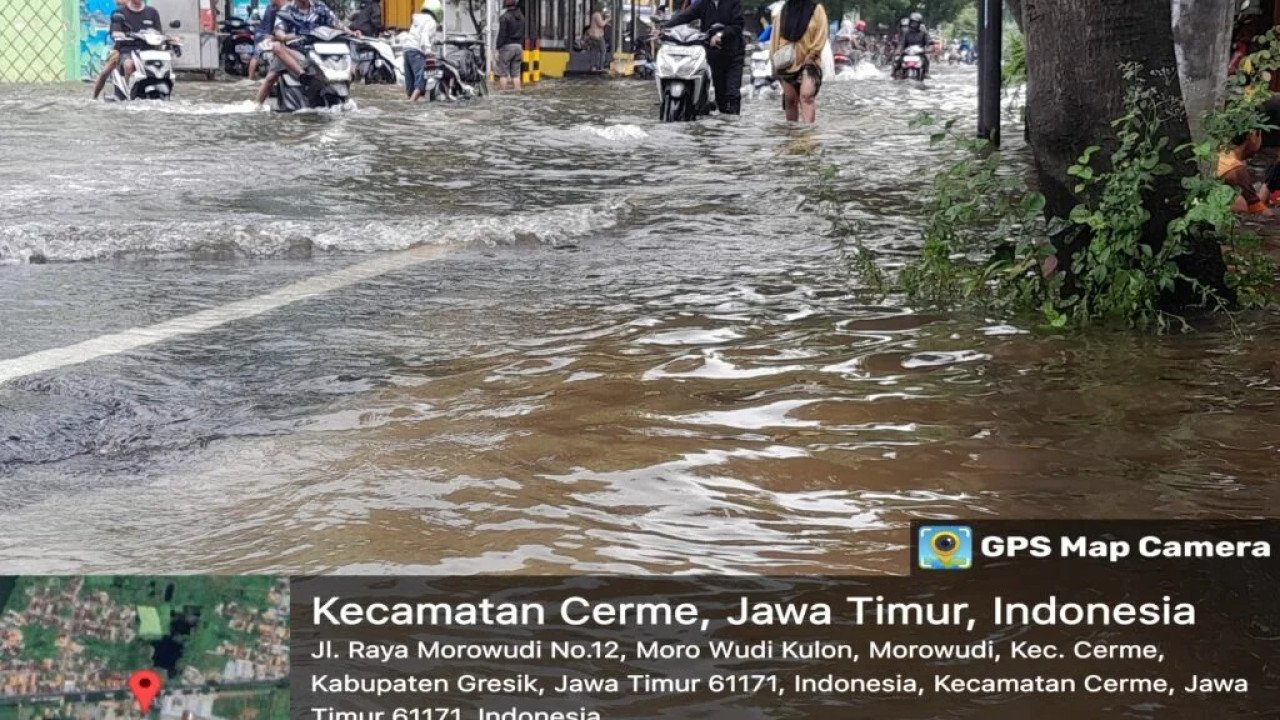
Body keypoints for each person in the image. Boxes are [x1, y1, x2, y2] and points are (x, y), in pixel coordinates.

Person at [261, 0, 361, 104]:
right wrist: (293, 35)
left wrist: (352, 32)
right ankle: (257, 105)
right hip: (296, 51)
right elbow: (279, 33)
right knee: (271, 75)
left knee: (346, 48)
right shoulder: (287, 10)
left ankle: (349, 78)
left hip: (320, 50)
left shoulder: (320, 6)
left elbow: (336, 23)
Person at [663, 0, 746, 115]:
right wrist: (663, 28)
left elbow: (738, 26)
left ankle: (734, 122)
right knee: (720, 94)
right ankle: (723, 123)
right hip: (713, 53)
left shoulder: (733, 2)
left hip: (734, 54)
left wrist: (720, 35)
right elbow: (685, 16)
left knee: (732, 92)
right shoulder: (703, 3)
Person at [770, 0, 825, 123]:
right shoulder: (784, 11)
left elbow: (821, 33)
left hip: (809, 61)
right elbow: (775, 38)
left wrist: (813, 54)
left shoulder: (816, 9)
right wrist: (775, 64)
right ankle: (792, 134)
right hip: (787, 63)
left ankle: (808, 133)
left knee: (806, 96)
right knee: (790, 100)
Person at [102, 0, 167, 96]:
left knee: (165, 66)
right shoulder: (119, 13)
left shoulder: (152, 12)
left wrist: (168, 40)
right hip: (128, 51)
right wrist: (120, 34)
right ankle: (128, 92)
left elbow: (159, 33)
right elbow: (115, 32)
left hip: (149, 52)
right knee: (129, 65)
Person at [1218, 130, 1271, 215]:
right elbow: (1259, 210)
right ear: (1252, 135)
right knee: (1240, 204)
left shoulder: (1222, 154)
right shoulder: (1236, 169)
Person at [402, 0, 442, 100]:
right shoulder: (431, 21)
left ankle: (408, 103)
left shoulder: (418, 19)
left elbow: (418, 34)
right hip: (416, 51)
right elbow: (424, 35)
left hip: (407, 50)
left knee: (410, 83)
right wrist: (428, 50)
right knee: (421, 80)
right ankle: (411, 103)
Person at [92, 0, 129, 99]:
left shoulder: (146, 13)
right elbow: (114, 33)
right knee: (105, 72)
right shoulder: (118, 14)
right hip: (120, 49)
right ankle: (94, 96)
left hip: (140, 50)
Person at [248, 0, 285, 85]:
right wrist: (271, 35)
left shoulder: (272, 7)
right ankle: (251, 78)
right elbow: (270, 25)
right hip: (264, 34)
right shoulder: (272, 9)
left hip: (261, 33)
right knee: (256, 54)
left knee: (256, 55)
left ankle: (250, 78)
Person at [495, 0, 525, 89]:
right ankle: (517, 92)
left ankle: (503, 93)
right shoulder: (522, 17)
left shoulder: (504, 17)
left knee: (503, 74)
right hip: (519, 47)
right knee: (516, 75)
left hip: (507, 47)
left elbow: (502, 35)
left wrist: (497, 48)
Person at [896, 11, 930, 78]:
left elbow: (927, 44)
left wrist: (927, 49)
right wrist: (899, 50)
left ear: (919, 23)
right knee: (898, 59)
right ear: (910, 22)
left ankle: (926, 73)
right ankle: (897, 72)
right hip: (908, 52)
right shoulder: (906, 33)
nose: (914, 24)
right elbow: (902, 43)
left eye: (916, 22)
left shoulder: (923, 33)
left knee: (926, 60)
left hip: (919, 53)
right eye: (913, 22)